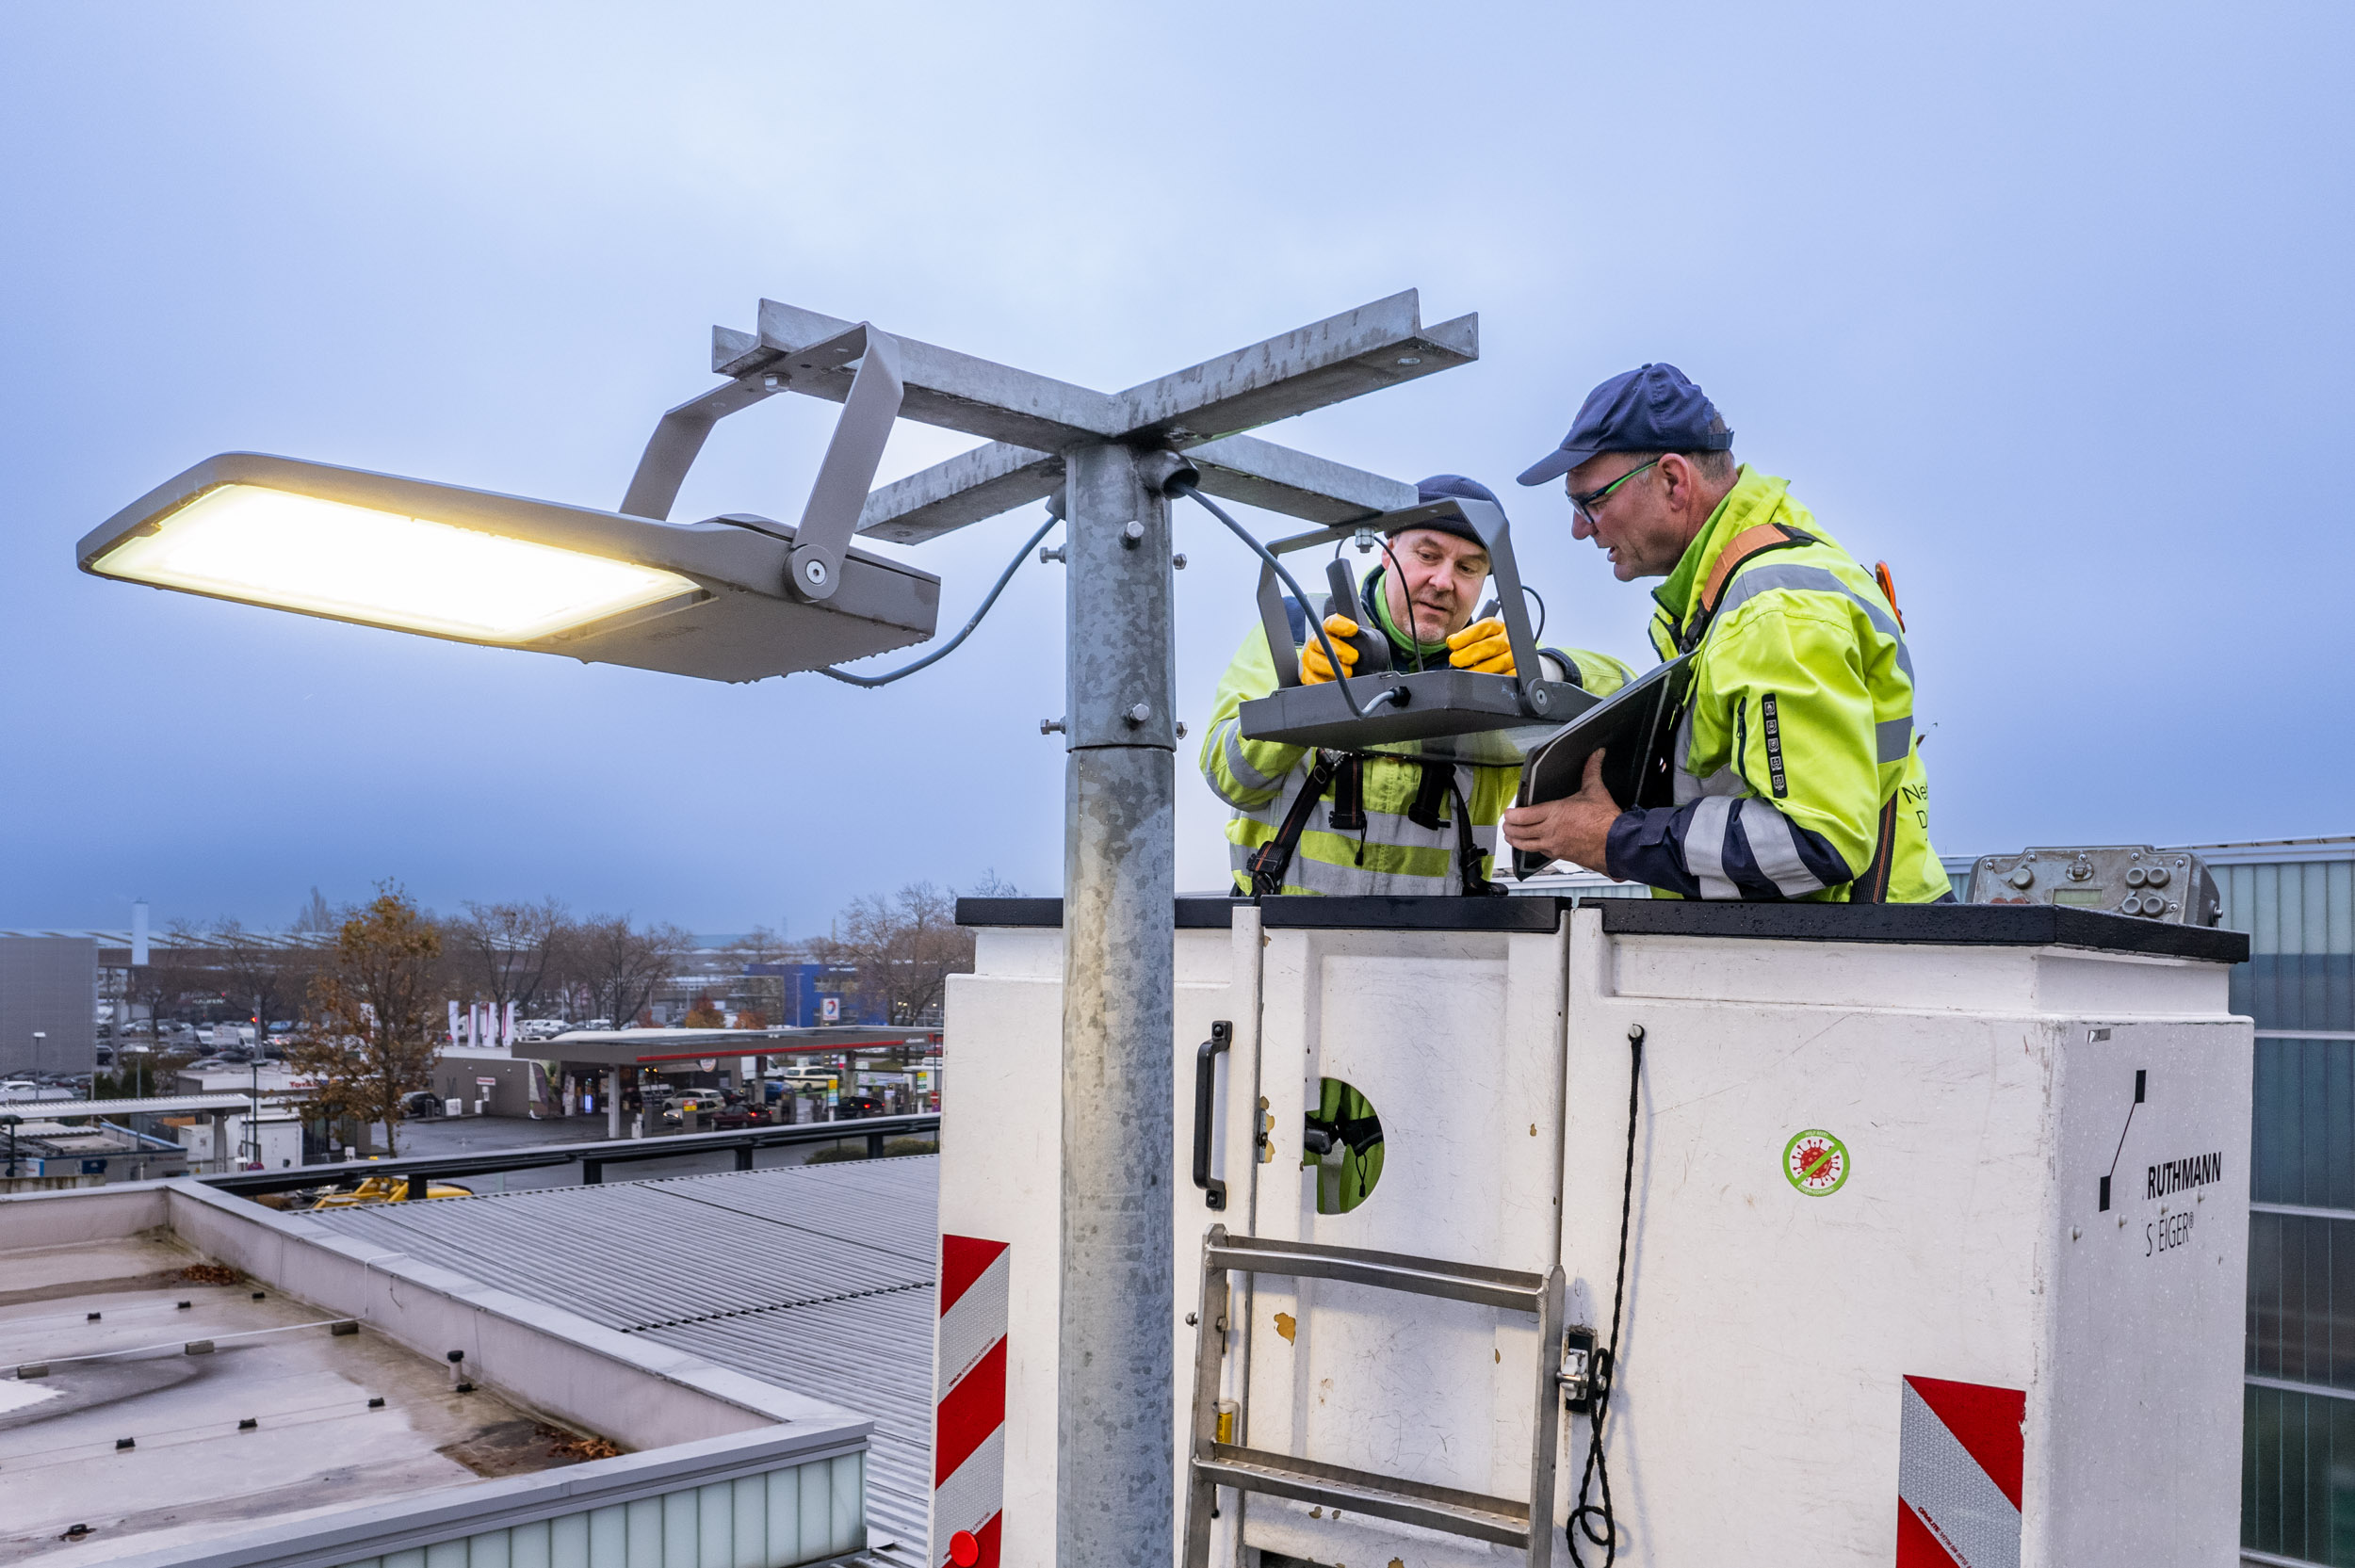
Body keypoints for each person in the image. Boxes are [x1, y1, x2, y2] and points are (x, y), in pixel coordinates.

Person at [1502, 364, 1950, 902]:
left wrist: (1614, 840)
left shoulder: (1773, 610)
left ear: (1672, 480)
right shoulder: (1738, 586)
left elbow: (1817, 839)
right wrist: (1550, 669)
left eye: (1590, 502)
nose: (1579, 528)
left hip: (1858, 958)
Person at [1200, 475, 1632, 897]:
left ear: (1487, 580)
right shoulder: (1296, 630)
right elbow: (1229, 777)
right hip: (1280, 940)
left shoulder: (1498, 668)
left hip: (1437, 948)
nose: (1444, 582)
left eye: (1467, 567)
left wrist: (1544, 668)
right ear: (1388, 552)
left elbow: (1630, 693)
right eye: (1428, 555)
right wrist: (1299, 702)